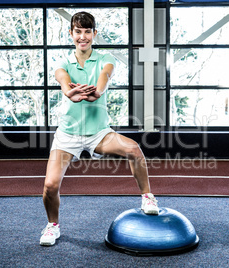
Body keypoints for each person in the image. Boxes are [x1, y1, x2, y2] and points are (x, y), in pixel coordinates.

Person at [40, 11, 159, 246]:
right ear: (71, 34)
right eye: (78, 32)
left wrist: (98, 91)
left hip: (99, 133)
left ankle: (147, 197)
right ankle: (53, 226)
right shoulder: (63, 61)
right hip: (68, 134)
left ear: (94, 34)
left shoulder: (106, 57)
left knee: (134, 149)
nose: (82, 37)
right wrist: (68, 92)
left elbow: (105, 74)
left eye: (87, 32)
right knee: (50, 186)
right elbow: (61, 77)